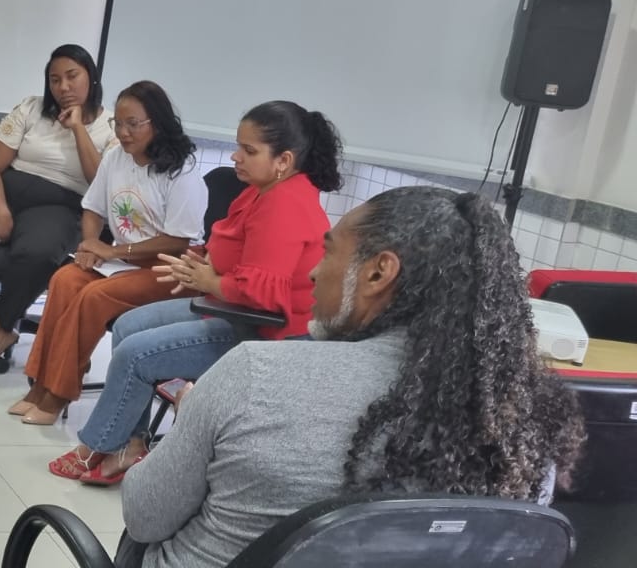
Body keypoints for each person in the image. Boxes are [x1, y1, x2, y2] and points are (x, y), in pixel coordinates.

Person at [111, 186, 585, 568]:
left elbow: (145, 517)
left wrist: (192, 419)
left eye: (329, 252)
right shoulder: (522, 424)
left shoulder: (254, 374)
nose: (314, 273)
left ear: (379, 273)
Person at [48, 100, 343, 483]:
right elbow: (228, 248)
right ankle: (130, 445)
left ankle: (96, 447)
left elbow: (263, 294)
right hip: (227, 306)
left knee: (136, 355)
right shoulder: (260, 190)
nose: (235, 157)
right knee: (127, 326)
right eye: (238, 146)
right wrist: (197, 265)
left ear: (283, 160)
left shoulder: (285, 204)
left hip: (263, 331)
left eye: (248, 150)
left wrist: (208, 281)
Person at [10, 81, 205, 421]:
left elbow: (178, 241)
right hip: (125, 261)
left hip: (172, 270)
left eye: (134, 124)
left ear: (157, 123)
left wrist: (114, 252)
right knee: (65, 280)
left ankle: (59, 394)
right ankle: (39, 385)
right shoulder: (115, 158)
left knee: (94, 296)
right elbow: (92, 208)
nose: (124, 132)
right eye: (119, 123)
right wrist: (90, 247)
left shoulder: (182, 171)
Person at [0, 45, 118, 372]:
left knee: (36, 252)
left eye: (72, 77)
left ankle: (0, 325)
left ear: (91, 77)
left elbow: (99, 182)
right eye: (55, 80)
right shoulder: (31, 108)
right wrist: (0, 211)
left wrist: (78, 129)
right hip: (8, 191)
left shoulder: (110, 126)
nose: (63, 87)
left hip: (62, 204)